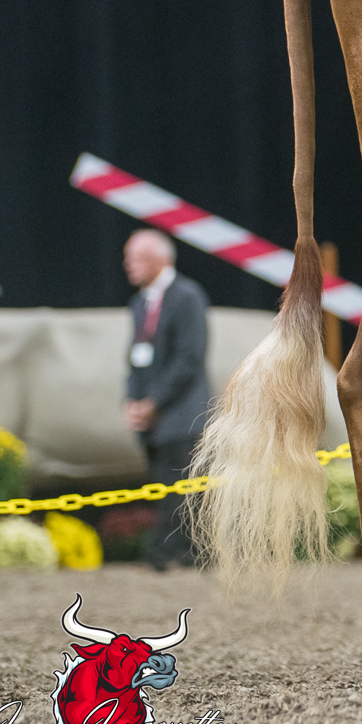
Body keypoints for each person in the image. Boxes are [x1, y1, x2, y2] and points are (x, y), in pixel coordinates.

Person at [122, 229, 211, 570]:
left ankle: (176, 554)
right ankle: (170, 553)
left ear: (158, 260)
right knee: (162, 486)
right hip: (153, 419)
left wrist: (153, 402)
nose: (127, 265)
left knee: (184, 489)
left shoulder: (187, 297)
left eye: (134, 258)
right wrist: (133, 401)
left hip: (182, 413)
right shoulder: (139, 303)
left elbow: (190, 358)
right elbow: (134, 358)